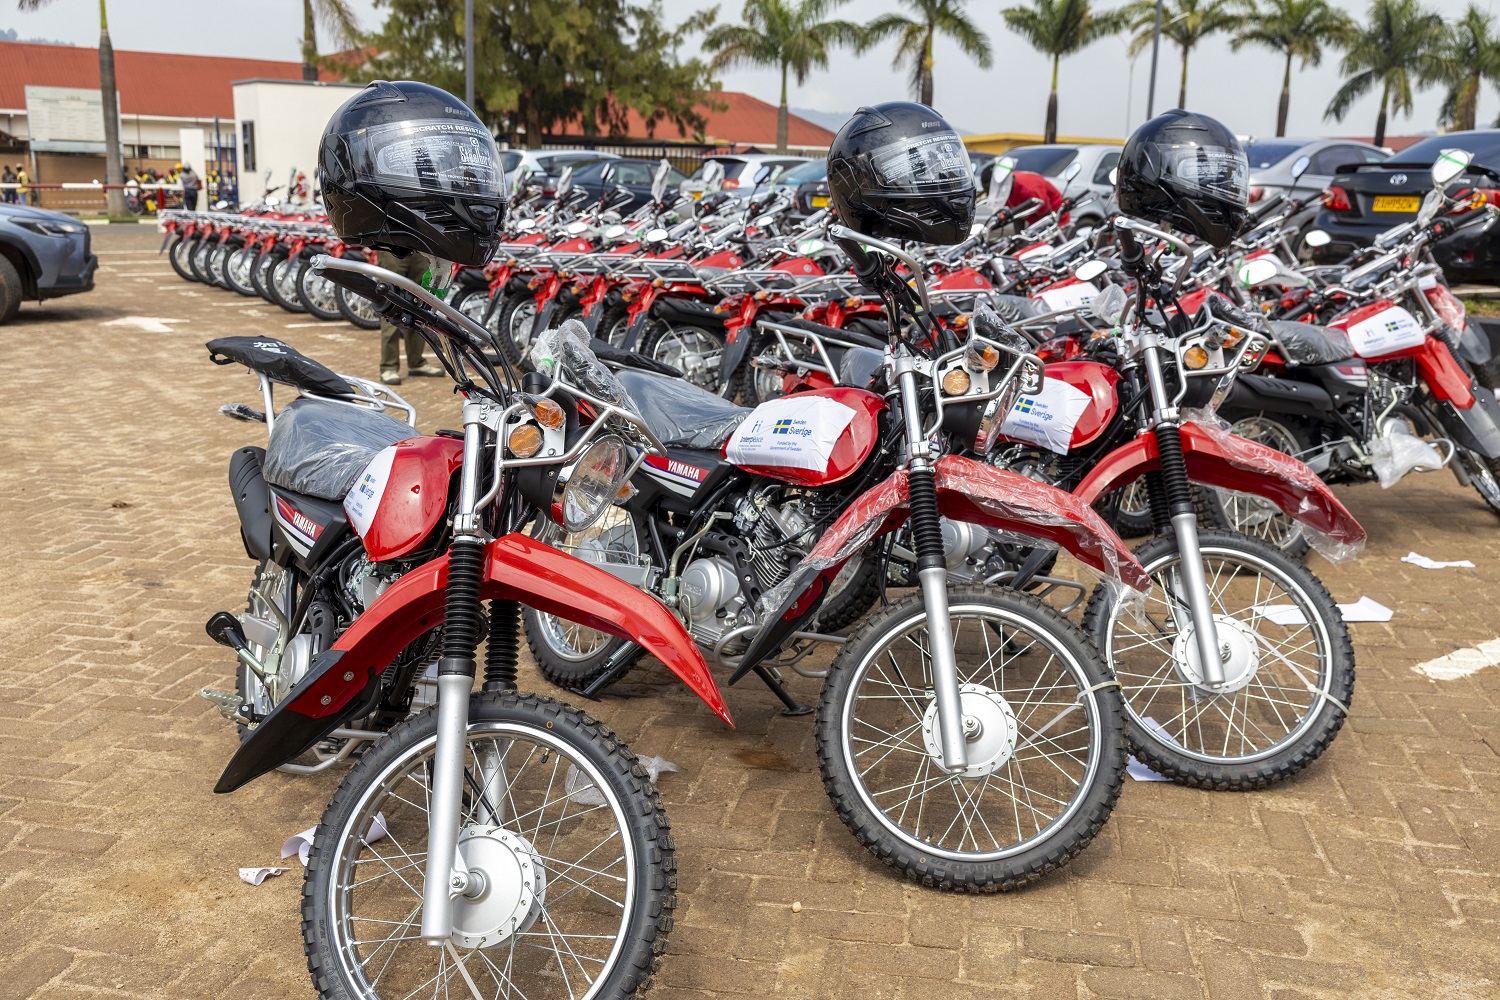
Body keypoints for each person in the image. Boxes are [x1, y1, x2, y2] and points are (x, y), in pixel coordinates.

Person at [374, 249, 446, 384]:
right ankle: (388, 366)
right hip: (391, 247)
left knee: (418, 305)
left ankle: (416, 362)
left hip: (417, 248)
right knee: (391, 304)